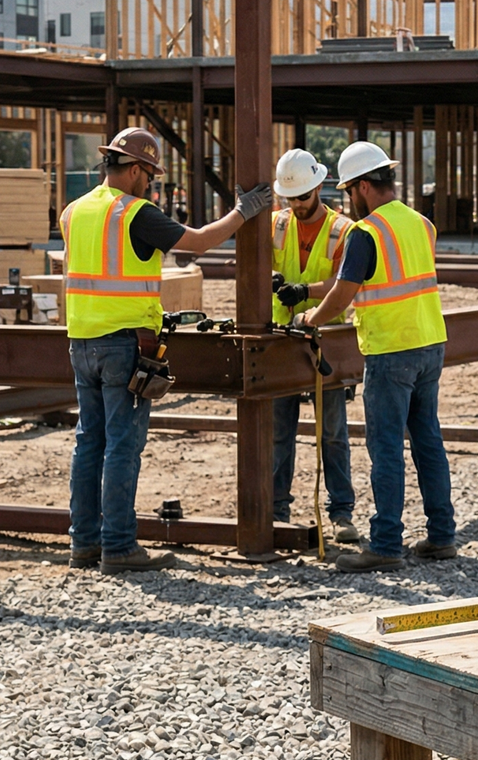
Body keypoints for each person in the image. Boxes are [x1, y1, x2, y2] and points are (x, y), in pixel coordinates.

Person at [61, 127, 272, 574]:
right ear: (135, 170)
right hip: (124, 345)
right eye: (151, 176)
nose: (152, 184)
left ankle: (84, 543)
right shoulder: (134, 213)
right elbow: (196, 242)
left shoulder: (73, 211)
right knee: (121, 446)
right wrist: (242, 211)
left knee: (88, 443)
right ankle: (118, 547)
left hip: (80, 343)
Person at [293, 141, 453, 573]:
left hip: (389, 350)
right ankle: (442, 536)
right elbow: (373, 277)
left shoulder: (366, 233)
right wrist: (308, 292)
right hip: (430, 343)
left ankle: (384, 545)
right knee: (428, 441)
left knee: (385, 448)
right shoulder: (421, 224)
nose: (349, 200)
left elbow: (346, 291)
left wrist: (310, 318)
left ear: (363, 186)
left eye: (349, 191)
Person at [269, 148, 358, 542]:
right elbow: (249, 264)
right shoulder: (276, 225)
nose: (297, 205)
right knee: (277, 431)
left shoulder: (343, 230)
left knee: (333, 433)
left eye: (303, 197)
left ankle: (341, 513)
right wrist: (267, 279)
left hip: (327, 339)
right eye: (290, 198)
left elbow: (345, 283)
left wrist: (305, 289)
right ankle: (275, 510)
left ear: (318, 186)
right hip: (279, 341)